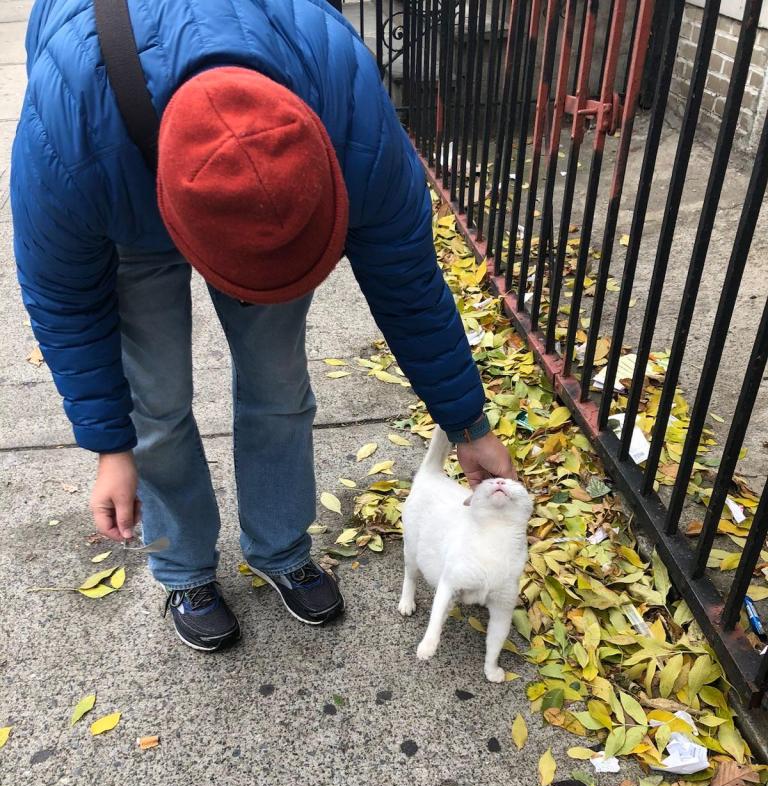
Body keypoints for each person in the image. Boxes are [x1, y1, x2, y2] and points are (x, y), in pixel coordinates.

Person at [12, 0, 515, 653]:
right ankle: (184, 569)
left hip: (263, 175)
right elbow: (64, 300)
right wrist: (111, 446)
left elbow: (408, 281)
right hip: (127, 189)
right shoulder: (70, 134)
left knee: (277, 381)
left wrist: (468, 423)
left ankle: (281, 548)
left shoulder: (345, 101)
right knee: (153, 404)